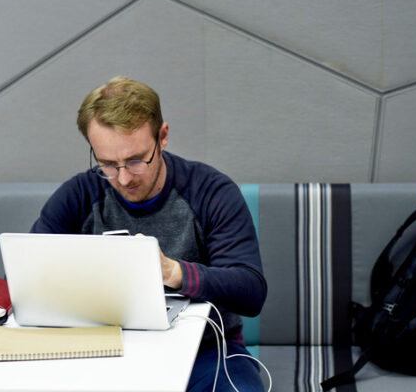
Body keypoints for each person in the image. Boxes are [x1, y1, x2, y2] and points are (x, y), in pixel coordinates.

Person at [31, 76, 267, 391]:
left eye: (136, 161)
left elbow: (250, 292)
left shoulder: (210, 192)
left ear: (163, 136)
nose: (124, 178)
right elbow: (30, 276)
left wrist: (173, 271)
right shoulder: (80, 194)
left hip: (207, 353)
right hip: (103, 353)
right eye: (107, 164)